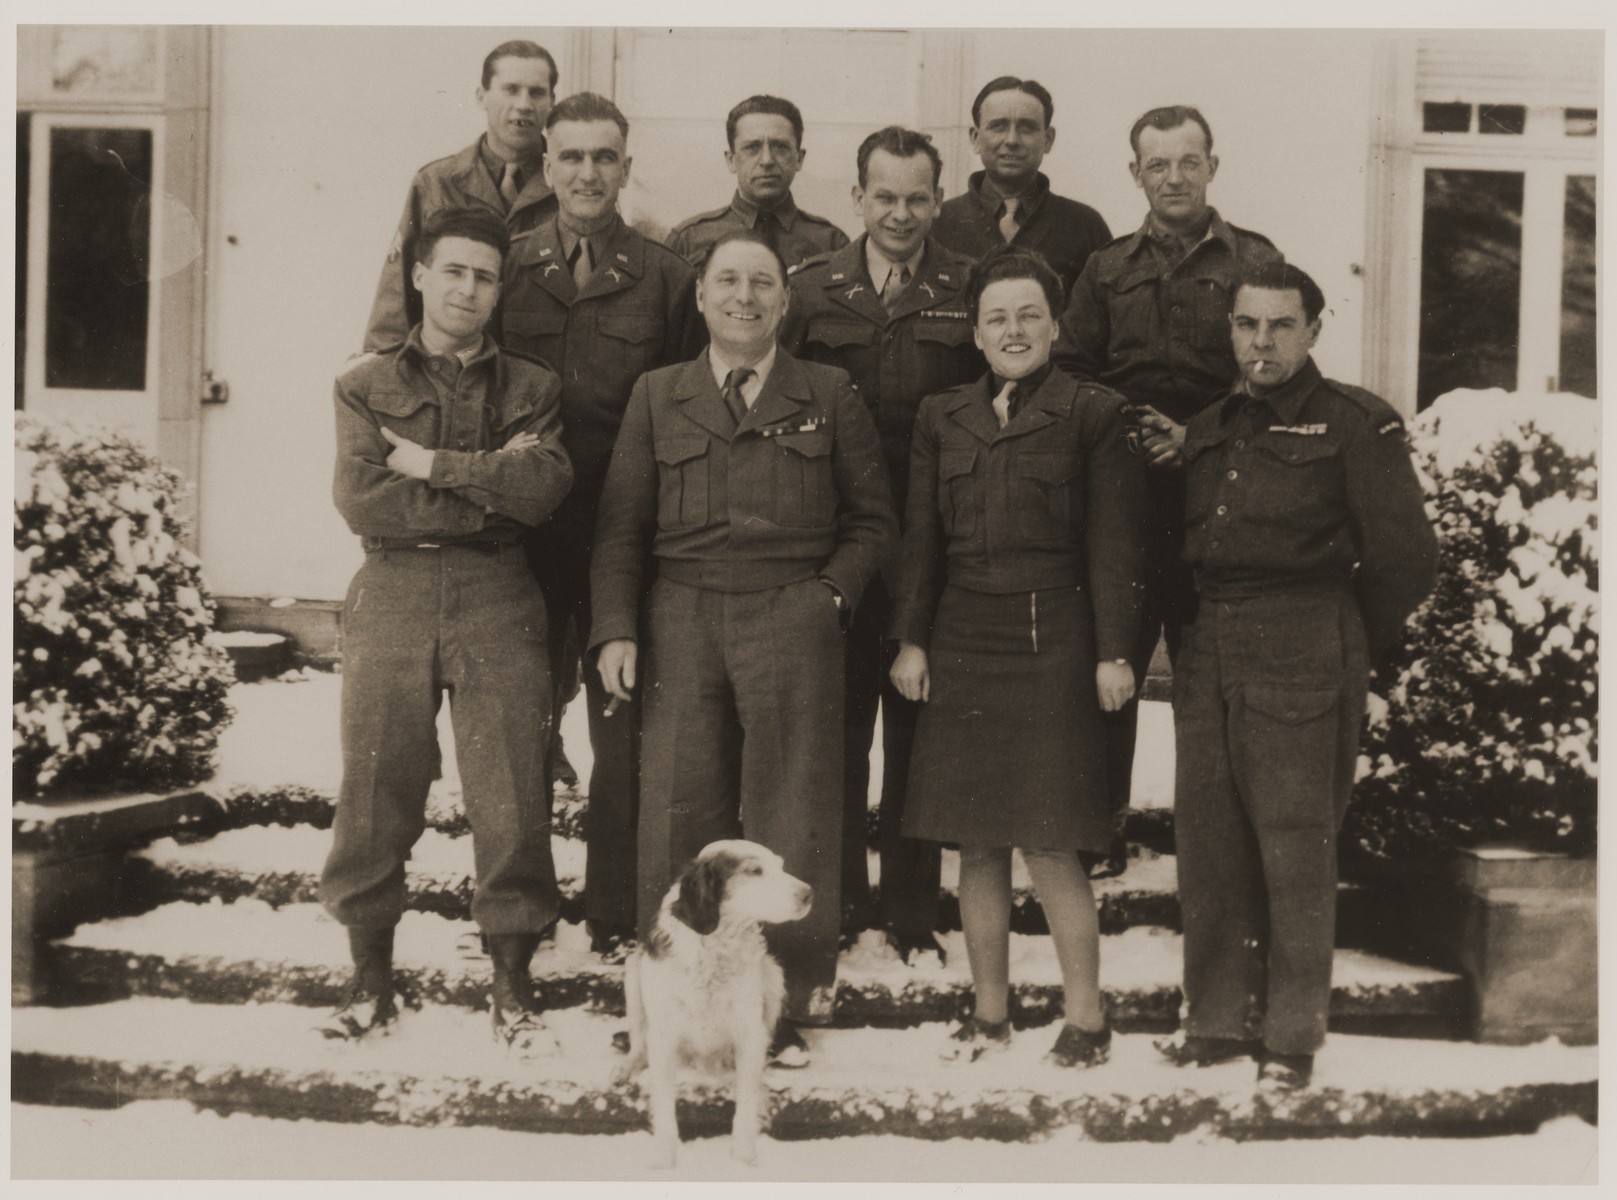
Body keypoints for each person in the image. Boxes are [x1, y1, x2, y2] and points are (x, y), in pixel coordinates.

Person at [591, 228, 897, 1066]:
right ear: (699, 296)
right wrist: (616, 626)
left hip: (790, 616)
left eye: (762, 283)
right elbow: (620, 526)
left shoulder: (829, 391)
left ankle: (778, 1006)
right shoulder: (658, 393)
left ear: (785, 299)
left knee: (790, 808)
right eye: (726, 281)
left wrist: (827, 597)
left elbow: (873, 521)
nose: (744, 297)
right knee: (676, 810)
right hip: (681, 617)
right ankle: (662, 1007)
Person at [1158, 261, 1438, 1091]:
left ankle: (1289, 1037)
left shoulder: (1353, 423)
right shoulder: (1210, 425)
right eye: (1247, 325)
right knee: (1206, 845)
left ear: (1313, 330)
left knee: (1293, 845)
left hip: (1305, 637)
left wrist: (1345, 638)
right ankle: (1211, 1021)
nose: (1261, 342)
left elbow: (1404, 560)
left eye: (1281, 325)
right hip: (1211, 645)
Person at [322, 206, 574, 1055]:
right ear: (421, 276)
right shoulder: (363, 383)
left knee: (510, 788)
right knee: (373, 784)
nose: (468, 289)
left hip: (499, 590)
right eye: (454, 271)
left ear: (501, 289)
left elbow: (541, 491)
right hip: (390, 585)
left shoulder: (531, 388)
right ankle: (369, 978)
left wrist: (432, 466)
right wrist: (487, 486)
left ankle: (512, 980)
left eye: (486, 276)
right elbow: (362, 496)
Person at [889, 246, 1146, 1065]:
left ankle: (1086, 1019)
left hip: (1054, 641)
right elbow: (921, 541)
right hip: (963, 638)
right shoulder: (942, 416)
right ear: (973, 331)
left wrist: (1113, 653)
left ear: (1056, 325)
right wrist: (912, 639)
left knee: (1048, 839)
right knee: (974, 840)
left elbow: (1113, 547)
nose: (1013, 330)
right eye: (996, 317)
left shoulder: (1094, 413)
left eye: (1028, 314)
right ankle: (989, 1013)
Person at [500, 92, 707, 960]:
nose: (587, 173)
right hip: (520, 543)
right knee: (517, 734)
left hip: (623, 541)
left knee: (622, 739)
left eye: (604, 157)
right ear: (547, 167)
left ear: (625, 167)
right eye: (571, 157)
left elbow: (682, 411)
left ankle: (616, 913)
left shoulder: (664, 277)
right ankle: (518, 909)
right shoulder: (505, 269)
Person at [1052, 104, 1284, 825]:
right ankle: (1099, 829)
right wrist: (1132, 430)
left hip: (1216, 498)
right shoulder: (1104, 267)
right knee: (1108, 662)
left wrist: (1193, 437)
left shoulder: (1253, 261)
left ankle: (1207, 838)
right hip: (1122, 498)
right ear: (1136, 174)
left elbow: (1268, 371)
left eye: (1188, 161)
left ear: (1212, 166)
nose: (1174, 177)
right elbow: (1071, 367)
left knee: (1205, 673)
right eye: (1158, 164)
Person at [781, 126, 982, 962]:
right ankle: (831, 903)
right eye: (884, 195)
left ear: (938, 200)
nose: (900, 213)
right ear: (856, 198)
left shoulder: (969, 289)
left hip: (932, 549)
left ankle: (908, 910)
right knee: (830, 735)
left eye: (917, 197)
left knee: (917, 737)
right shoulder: (808, 289)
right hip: (833, 546)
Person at [364, 40, 560, 351]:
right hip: (450, 374)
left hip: (539, 379)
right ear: (482, 96)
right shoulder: (436, 183)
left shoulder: (570, 185)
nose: (524, 104)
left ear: (551, 101)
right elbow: (396, 301)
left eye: (536, 92)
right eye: (511, 89)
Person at [932, 76, 1112, 298]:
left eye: (1027, 128)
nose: (1012, 140)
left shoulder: (1085, 226)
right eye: (998, 126)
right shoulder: (937, 223)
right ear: (975, 138)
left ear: (1048, 139)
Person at [667, 95, 851, 272]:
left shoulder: (831, 243)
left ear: (799, 159)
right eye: (752, 147)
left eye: (780, 147)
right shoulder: (688, 241)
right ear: (731, 160)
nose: (767, 160)